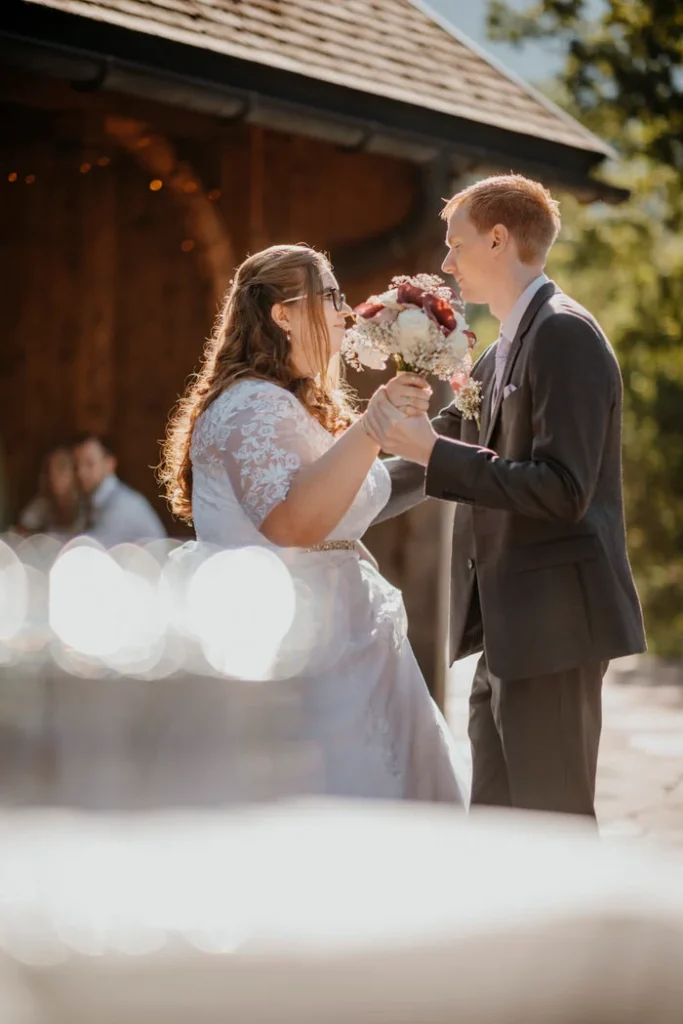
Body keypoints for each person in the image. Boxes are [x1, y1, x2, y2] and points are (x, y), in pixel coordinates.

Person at [365, 174, 646, 819]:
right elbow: (440, 447)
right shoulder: (500, 353)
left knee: (553, 827)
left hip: (556, 628)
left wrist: (433, 452)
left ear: (498, 240)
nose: (445, 262)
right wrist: (350, 494)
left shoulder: (564, 335)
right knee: (498, 830)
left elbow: (564, 488)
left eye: (454, 245)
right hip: (508, 631)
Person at [158, 243, 467, 804]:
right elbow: (293, 523)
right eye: (330, 296)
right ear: (282, 313)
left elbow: (345, 503)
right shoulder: (254, 406)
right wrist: (374, 424)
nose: (344, 312)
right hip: (296, 650)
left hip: (341, 639)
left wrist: (454, 446)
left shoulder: (283, 403)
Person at [73, 434, 167, 546]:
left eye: (89, 464)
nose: (81, 472)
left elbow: (90, 550)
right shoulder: (95, 501)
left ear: (110, 464)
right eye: (77, 465)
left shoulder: (122, 505)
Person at [17, 445, 86, 539]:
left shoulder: (88, 504)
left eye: (63, 467)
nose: (57, 475)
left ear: (75, 472)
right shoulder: (43, 504)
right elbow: (21, 531)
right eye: (53, 469)